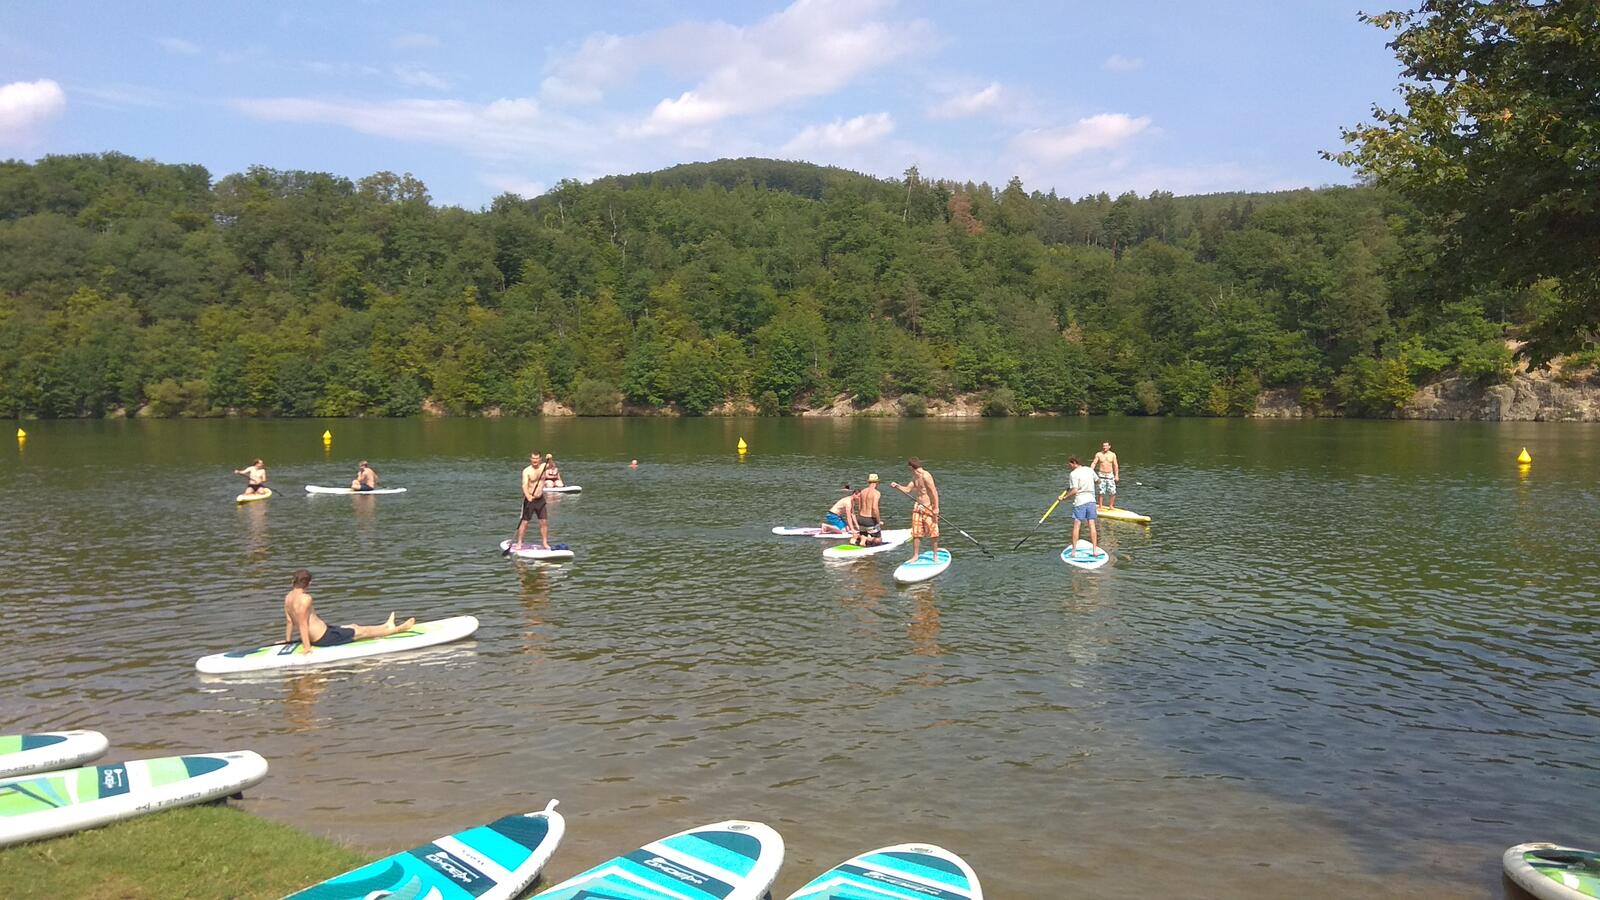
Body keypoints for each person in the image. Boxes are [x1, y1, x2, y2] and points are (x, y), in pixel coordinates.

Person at [283, 569, 413, 653]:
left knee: (354, 626)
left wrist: (288, 642)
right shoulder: (305, 599)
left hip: (323, 632)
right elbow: (303, 624)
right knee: (361, 632)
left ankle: (385, 625)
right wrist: (307, 647)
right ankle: (394, 630)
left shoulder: (288, 597)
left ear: (292, 581)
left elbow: (289, 621)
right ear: (309, 584)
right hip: (323, 638)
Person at [891, 457, 939, 560]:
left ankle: (935, 556)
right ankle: (915, 556)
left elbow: (934, 492)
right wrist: (897, 486)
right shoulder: (915, 477)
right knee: (916, 532)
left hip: (929, 506)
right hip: (918, 506)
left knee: (933, 532)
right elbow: (908, 490)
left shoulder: (926, 476)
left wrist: (936, 508)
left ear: (910, 467)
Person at [1061, 455, 1100, 557]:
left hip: (1080, 502)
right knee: (1092, 525)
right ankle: (1094, 550)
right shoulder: (1089, 470)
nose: (1069, 466)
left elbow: (1074, 490)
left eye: (1070, 464)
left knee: (1077, 526)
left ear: (1074, 463)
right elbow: (1098, 481)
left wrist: (1064, 498)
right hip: (1091, 501)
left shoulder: (1073, 474)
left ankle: (1073, 552)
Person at [514, 452, 554, 550]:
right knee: (525, 523)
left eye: (536, 458)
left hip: (540, 499)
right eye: (533, 458)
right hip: (529, 499)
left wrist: (550, 458)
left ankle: (545, 543)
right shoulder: (527, 471)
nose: (534, 460)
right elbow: (524, 485)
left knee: (543, 522)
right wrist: (528, 496)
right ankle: (519, 543)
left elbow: (551, 466)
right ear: (530, 459)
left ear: (540, 459)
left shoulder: (544, 467)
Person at [852, 474, 885, 546]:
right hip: (870, 520)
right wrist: (879, 521)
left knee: (864, 533)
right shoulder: (876, 493)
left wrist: (860, 518)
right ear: (877, 482)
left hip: (861, 518)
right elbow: (874, 508)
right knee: (878, 540)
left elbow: (859, 507)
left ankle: (860, 537)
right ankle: (864, 538)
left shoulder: (863, 491)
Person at [1092, 441, 1120, 510]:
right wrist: (1091, 471)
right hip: (1101, 474)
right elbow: (1094, 463)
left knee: (1112, 491)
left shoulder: (1113, 455)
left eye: (1106, 446)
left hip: (1110, 475)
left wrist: (1116, 475)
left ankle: (1111, 506)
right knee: (1101, 491)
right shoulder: (1099, 454)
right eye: (1103, 446)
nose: (1104, 447)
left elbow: (1115, 465)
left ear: (1109, 446)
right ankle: (1100, 506)